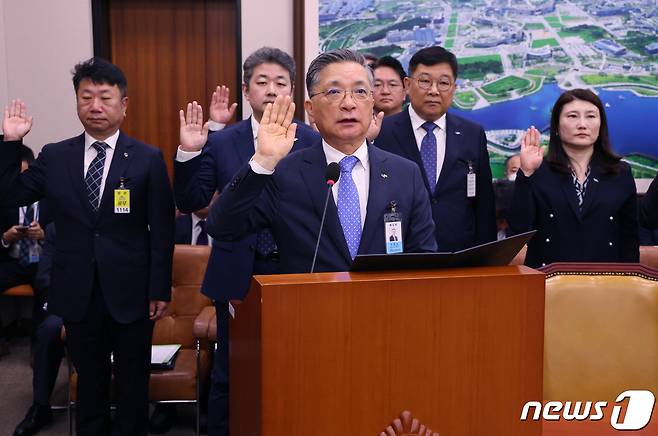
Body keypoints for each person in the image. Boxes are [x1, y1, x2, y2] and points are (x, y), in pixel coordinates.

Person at [0, 58, 175, 436]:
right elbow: (11, 194)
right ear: (77, 102)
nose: (95, 106)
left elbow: (162, 230)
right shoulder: (55, 155)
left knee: (132, 385)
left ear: (124, 104)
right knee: (89, 385)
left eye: (105, 97)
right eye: (86, 97)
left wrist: (160, 288)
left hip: (132, 292)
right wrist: (13, 144)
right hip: (77, 290)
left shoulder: (147, 159)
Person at [174, 46, 320, 436]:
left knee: (294, 369)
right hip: (236, 271)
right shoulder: (223, 141)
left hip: (295, 271)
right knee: (230, 372)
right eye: (262, 82)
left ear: (292, 91)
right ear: (246, 90)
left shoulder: (311, 141)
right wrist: (189, 152)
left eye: (281, 83)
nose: (271, 90)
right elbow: (191, 201)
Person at [206, 49, 437, 274]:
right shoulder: (284, 173)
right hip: (309, 309)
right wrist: (262, 161)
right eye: (334, 92)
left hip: (385, 308)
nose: (349, 103)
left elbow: (424, 258)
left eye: (359, 92)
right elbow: (221, 227)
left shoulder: (406, 174)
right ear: (311, 110)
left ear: (371, 102)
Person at [374, 46, 496, 252]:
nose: (433, 90)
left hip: (459, 256)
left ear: (454, 89)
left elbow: (483, 205)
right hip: (400, 255)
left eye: (443, 83)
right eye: (424, 81)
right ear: (407, 84)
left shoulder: (472, 134)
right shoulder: (382, 132)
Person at [508, 88, 639, 268]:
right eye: (572, 116)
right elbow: (518, 230)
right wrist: (526, 173)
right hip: (549, 281)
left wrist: (628, 284)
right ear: (556, 126)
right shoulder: (538, 171)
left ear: (601, 125)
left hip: (606, 282)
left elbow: (629, 238)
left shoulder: (620, 172)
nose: (582, 124)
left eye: (591, 116)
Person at [13, 223, 65, 436]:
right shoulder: (56, 229)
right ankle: (41, 406)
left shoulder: (113, 220)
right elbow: (44, 277)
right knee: (49, 328)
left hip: (108, 302)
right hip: (69, 303)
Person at [0, 145, 49, 356]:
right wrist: (5, 237)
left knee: (46, 283)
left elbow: (65, 237)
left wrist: (44, 236)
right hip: (13, 261)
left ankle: (38, 347)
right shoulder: (4, 199)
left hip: (42, 260)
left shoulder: (51, 198)